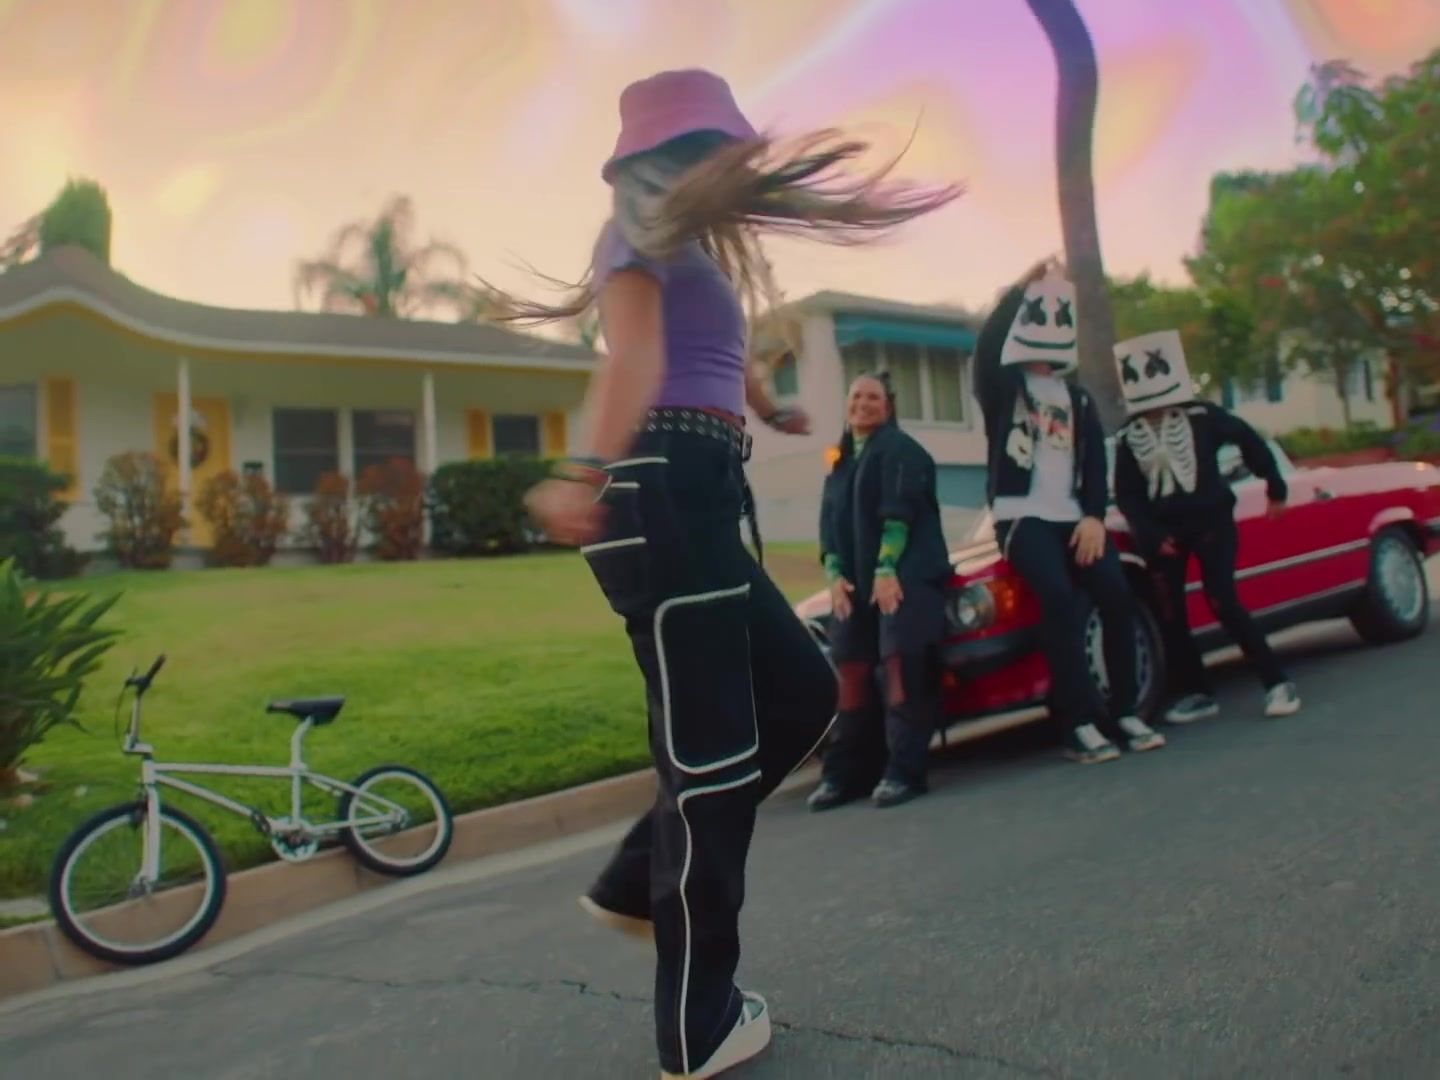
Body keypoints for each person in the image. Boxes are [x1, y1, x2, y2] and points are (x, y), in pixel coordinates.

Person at [513, 69, 963, 1079]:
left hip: (701, 490)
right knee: (712, 759)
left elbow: (712, 348)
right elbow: (633, 358)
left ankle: (642, 874)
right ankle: (699, 1024)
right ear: (675, 155)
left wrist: (766, 403)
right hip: (665, 489)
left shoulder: (691, 249)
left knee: (802, 693)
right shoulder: (631, 229)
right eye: (720, 149)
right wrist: (584, 471)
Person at [972, 258, 1167, 764]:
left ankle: (1125, 712)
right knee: (1058, 598)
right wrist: (1022, 288)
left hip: (1074, 517)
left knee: (1116, 594)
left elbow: (1097, 462)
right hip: (1022, 517)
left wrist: (1094, 516)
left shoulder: (1077, 399)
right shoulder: (1004, 388)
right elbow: (987, 346)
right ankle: (1078, 724)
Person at [1110, 329, 1301, 723]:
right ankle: (1198, 691)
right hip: (1164, 533)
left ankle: (1276, 682)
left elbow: (1248, 439)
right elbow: (1127, 494)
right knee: (1169, 613)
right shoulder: (1129, 437)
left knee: (1222, 600)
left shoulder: (1202, 417)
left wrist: (1274, 486)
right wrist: (1149, 535)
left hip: (1211, 521)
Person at [806, 372, 951, 811]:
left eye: (873, 397)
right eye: (856, 396)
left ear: (887, 406)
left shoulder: (901, 450)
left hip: (907, 577)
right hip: (858, 583)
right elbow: (829, 526)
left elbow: (899, 514)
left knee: (898, 666)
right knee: (850, 669)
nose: (863, 404)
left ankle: (905, 770)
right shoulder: (839, 459)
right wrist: (834, 575)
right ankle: (846, 774)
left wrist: (887, 568)